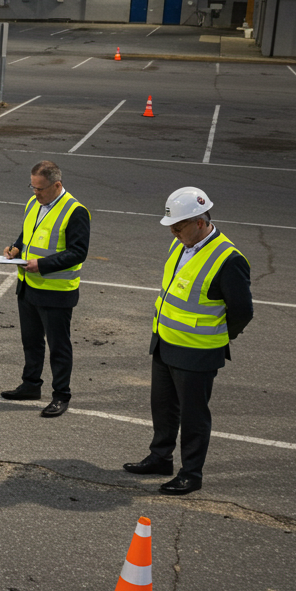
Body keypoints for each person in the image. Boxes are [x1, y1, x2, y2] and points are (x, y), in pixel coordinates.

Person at [124, 187, 252, 495]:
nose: (173, 234)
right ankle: (160, 458)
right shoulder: (180, 245)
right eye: (171, 228)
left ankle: (191, 474)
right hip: (165, 343)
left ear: (199, 221)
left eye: (178, 228)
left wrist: (221, 335)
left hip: (197, 353)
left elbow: (242, 312)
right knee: (163, 407)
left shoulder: (228, 259)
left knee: (194, 417)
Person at [0, 161, 89, 417]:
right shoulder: (34, 203)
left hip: (56, 292)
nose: (35, 193)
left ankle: (61, 395)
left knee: (59, 347)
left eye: (39, 188)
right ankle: (30, 385)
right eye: (32, 186)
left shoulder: (75, 211)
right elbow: (28, 233)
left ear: (57, 185)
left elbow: (78, 252)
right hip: (28, 286)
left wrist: (44, 264)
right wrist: (15, 248)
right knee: (31, 341)